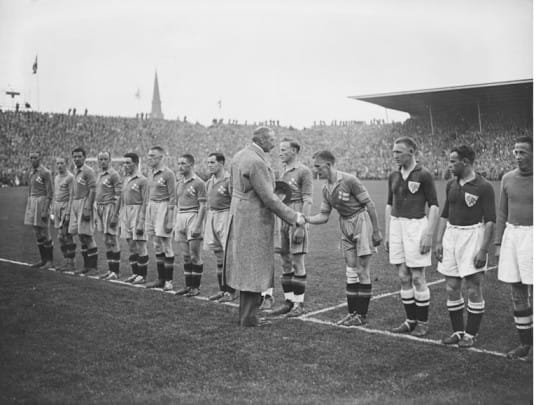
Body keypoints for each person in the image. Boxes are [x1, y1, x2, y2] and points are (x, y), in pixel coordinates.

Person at [223, 127, 305, 327]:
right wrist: (294, 216)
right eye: (271, 139)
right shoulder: (257, 162)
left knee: (245, 267)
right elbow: (268, 198)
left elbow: (230, 188)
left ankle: (246, 315)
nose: (274, 144)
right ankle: (249, 318)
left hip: (239, 215)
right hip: (254, 220)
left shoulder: (239, 156)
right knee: (254, 267)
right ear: (261, 139)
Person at [305, 150, 382, 325]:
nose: (316, 170)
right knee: (350, 271)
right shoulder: (326, 188)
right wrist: (306, 219)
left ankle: (361, 315)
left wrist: (376, 231)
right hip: (345, 224)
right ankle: (352, 312)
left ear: (328, 165)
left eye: (318, 166)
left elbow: (369, 205)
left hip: (361, 221)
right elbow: (324, 215)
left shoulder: (349, 180)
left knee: (362, 270)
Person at [435, 145, 495, 348]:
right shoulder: (451, 184)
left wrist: (483, 249)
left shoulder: (484, 186)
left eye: (453, 161)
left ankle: (471, 334)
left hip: (472, 236)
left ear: (465, 162)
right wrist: (438, 241)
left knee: (473, 287)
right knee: (451, 286)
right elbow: (444, 213)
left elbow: (490, 221)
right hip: (451, 235)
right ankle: (457, 332)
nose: (449, 165)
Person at [385, 137, 439, 337]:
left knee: (417, 276)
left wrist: (429, 234)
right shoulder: (393, 175)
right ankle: (410, 320)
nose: (395, 156)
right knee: (402, 276)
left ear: (412, 151)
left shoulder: (424, 174)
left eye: (399, 152)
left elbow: (434, 205)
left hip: (416, 226)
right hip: (397, 225)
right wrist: (388, 232)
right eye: (393, 152)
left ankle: (423, 322)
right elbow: (389, 205)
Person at [264, 138, 313, 317]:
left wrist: (301, 225)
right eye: (280, 149)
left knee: (297, 261)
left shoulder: (304, 171)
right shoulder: (281, 172)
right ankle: (289, 301)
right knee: (284, 261)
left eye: (284, 149)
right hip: (281, 216)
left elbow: (307, 200)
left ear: (294, 151)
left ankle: (299, 305)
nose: (280, 152)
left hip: (296, 215)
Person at [495, 136, 533, 360]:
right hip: (513, 236)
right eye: (515, 152)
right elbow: (501, 213)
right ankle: (525, 343)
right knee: (517, 293)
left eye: (523, 152)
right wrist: (499, 243)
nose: (518, 156)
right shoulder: (507, 178)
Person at [204, 152, 237, 302]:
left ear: (221, 163)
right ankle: (222, 289)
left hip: (225, 216)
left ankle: (231, 290)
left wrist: (233, 221)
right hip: (212, 215)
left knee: (227, 254)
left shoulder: (229, 180)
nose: (209, 165)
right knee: (217, 254)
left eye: (212, 162)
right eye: (208, 163)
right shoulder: (209, 182)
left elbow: (235, 203)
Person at [174, 154, 207, 297]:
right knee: (186, 256)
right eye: (179, 163)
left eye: (183, 164)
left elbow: (203, 205)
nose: (180, 166)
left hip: (193, 216)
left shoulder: (199, 183)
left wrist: (198, 225)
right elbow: (177, 204)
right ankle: (188, 286)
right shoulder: (179, 183)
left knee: (195, 256)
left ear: (191, 165)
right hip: (181, 216)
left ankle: (196, 287)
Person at [144, 146, 176, 291]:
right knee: (156, 244)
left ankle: (169, 281)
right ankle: (160, 278)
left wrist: (169, 219)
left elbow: (173, 197)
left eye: (152, 156)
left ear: (161, 157)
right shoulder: (150, 172)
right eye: (149, 155)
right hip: (152, 207)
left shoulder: (168, 174)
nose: (149, 158)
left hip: (163, 207)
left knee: (166, 244)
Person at [67, 147, 98, 275]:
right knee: (81, 236)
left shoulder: (88, 171)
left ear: (84, 157)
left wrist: (87, 208)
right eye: (75, 156)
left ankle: (93, 267)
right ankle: (86, 266)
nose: (77, 159)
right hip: (75, 203)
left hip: (85, 203)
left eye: (79, 156)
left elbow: (93, 190)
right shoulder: (75, 170)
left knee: (88, 236)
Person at [119, 152, 149, 284]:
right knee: (131, 245)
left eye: (128, 163)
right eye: (124, 163)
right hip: (126, 212)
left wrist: (141, 221)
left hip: (137, 212)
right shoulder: (126, 180)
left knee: (140, 244)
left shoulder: (143, 180)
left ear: (136, 164)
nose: (125, 166)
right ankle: (135, 273)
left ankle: (142, 275)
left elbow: (145, 202)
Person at [94, 152, 122, 280]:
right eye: (101, 159)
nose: (103, 161)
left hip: (109, 207)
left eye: (105, 159)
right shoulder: (99, 174)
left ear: (110, 160)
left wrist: (115, 215)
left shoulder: (114, 175)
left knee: (113, 239)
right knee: (106, 240)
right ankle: (111, 270)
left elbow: (118, 196)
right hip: (99, 207)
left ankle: (115, 272)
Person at [24, 151, 54, 269]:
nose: (32, 160)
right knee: (37, 233)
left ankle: (50, 261)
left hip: (41, 202)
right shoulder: (31, 172)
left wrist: (46, 210)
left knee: (45, 232)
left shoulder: (45, 172)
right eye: (31, 158)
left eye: (35, 157)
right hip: (32, 202)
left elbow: (50, 192)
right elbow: (30, 190)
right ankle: (43, 260)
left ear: (39, 158)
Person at [52, 157, 76, 272]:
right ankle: (67, 261)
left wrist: (68, 213)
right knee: (61, 237)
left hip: (66, 207)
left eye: (62, 163)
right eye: (58, 163)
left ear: (66, 164)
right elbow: (55, 194)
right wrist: (52, 210)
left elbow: (72, 195)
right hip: (57, 208)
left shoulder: (70, 177)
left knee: (65, 235)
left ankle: (70, 263)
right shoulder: (56, 177)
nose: (59, 165)